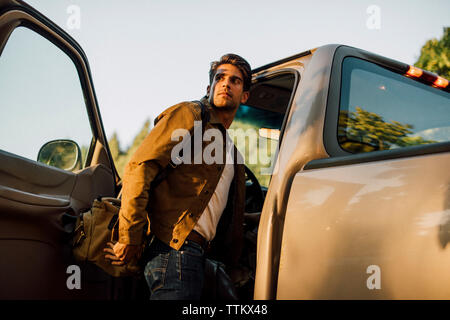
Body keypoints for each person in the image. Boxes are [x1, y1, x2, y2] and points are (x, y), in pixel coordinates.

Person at [104, 53, 251, 299]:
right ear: (209, 87)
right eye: (220, 78)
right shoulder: (191, 114)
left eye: (235, 81)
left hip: (199, 256)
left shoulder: (232, 154)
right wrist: (130, 235)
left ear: (244, 96)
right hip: (172, 250)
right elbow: (141, 166)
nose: (226, 83)